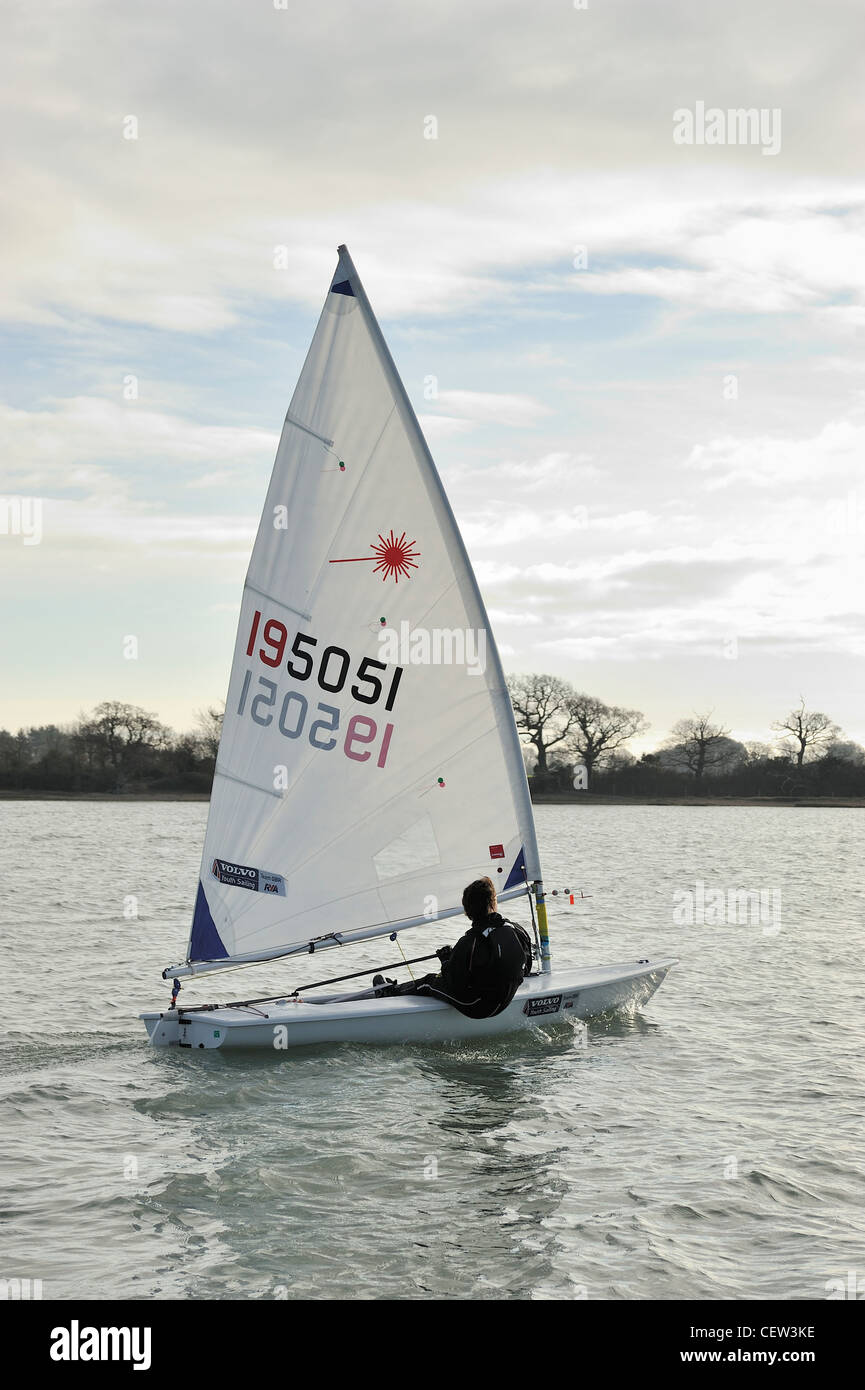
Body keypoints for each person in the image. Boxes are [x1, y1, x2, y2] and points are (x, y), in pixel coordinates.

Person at [374, 876, 534, 1018]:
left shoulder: (469, 941)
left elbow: (453, 982)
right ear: (493, 902)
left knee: (429, 981)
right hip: (506, 1002)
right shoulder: (516, 930)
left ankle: (388, 993)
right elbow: (525, 968)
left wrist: (445, 961)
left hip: (477, 1007)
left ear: (467, 910)